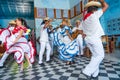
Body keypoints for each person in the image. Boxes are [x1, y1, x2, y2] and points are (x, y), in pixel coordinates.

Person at [81, 0, 109, 79]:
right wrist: (102, 1)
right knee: (100, 56)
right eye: (97, 8)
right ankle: (87, 71)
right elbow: (106, 6)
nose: (97, 10)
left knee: (95, 56)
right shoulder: (94, 15)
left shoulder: (84, 19)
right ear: (94, 9)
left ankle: (94, 74)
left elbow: (82, 30)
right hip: (94, 39)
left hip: (88, 39)